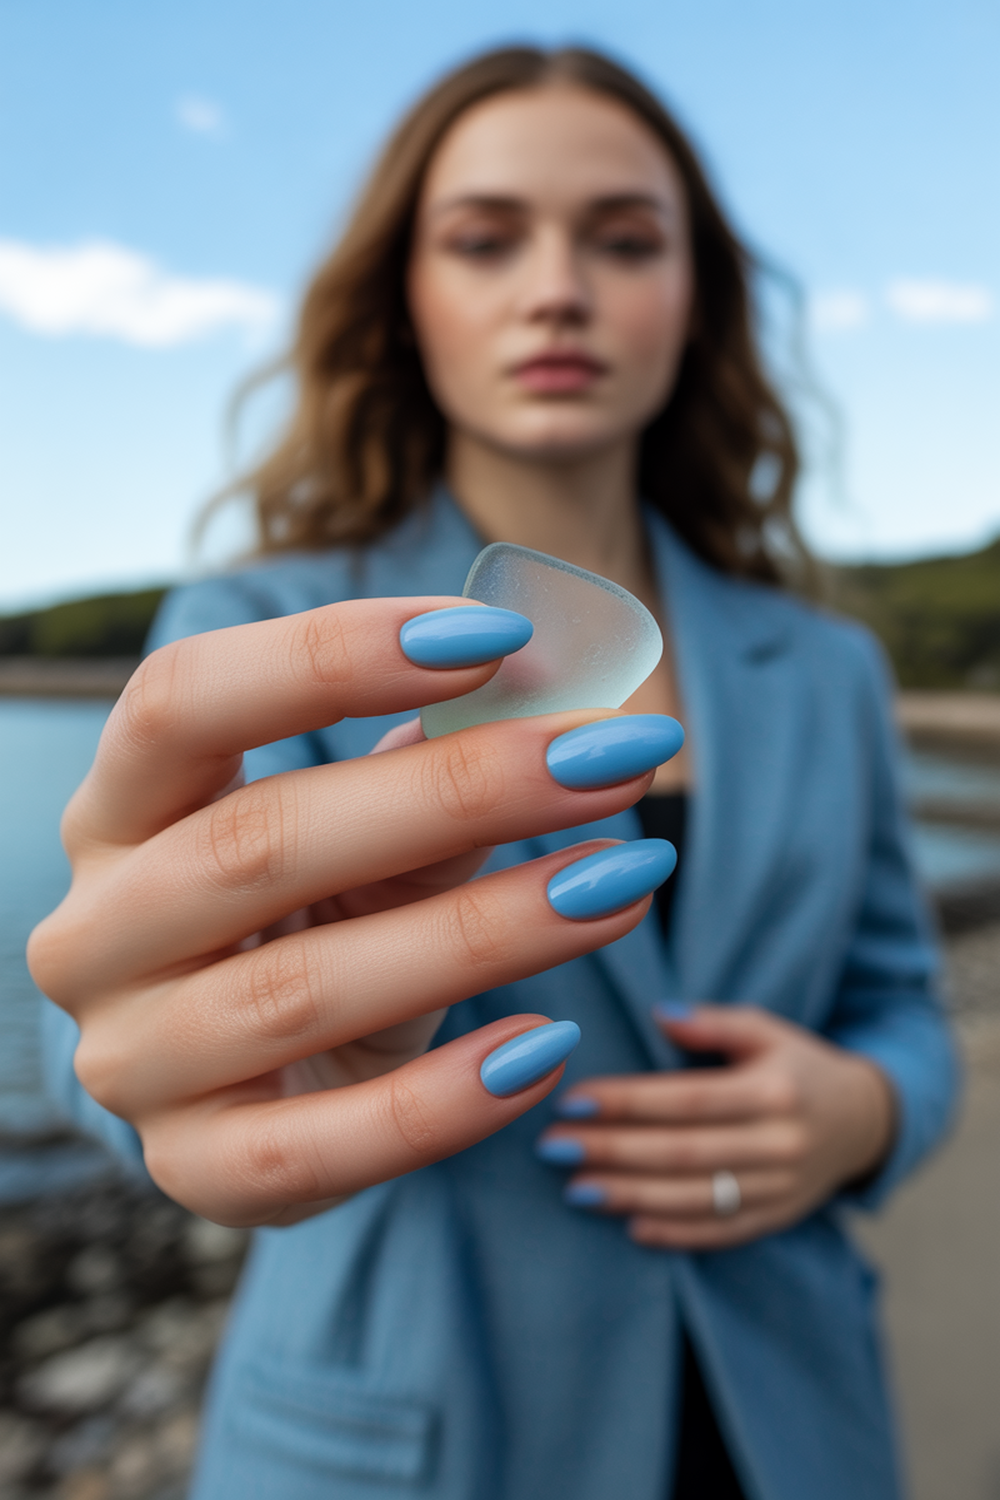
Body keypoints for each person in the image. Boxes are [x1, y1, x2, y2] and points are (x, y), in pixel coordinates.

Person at [30, 45, 959, 1500]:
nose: (557, 288)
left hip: (790, 1417)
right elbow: (105, 1025)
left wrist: (868, 1112)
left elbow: (901, 998)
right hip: (414, 1438)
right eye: (485, 237)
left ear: (694, 297)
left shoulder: (825, 666)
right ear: (406, 297)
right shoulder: (259, 633)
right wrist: (219, 1053)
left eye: (624, 239)